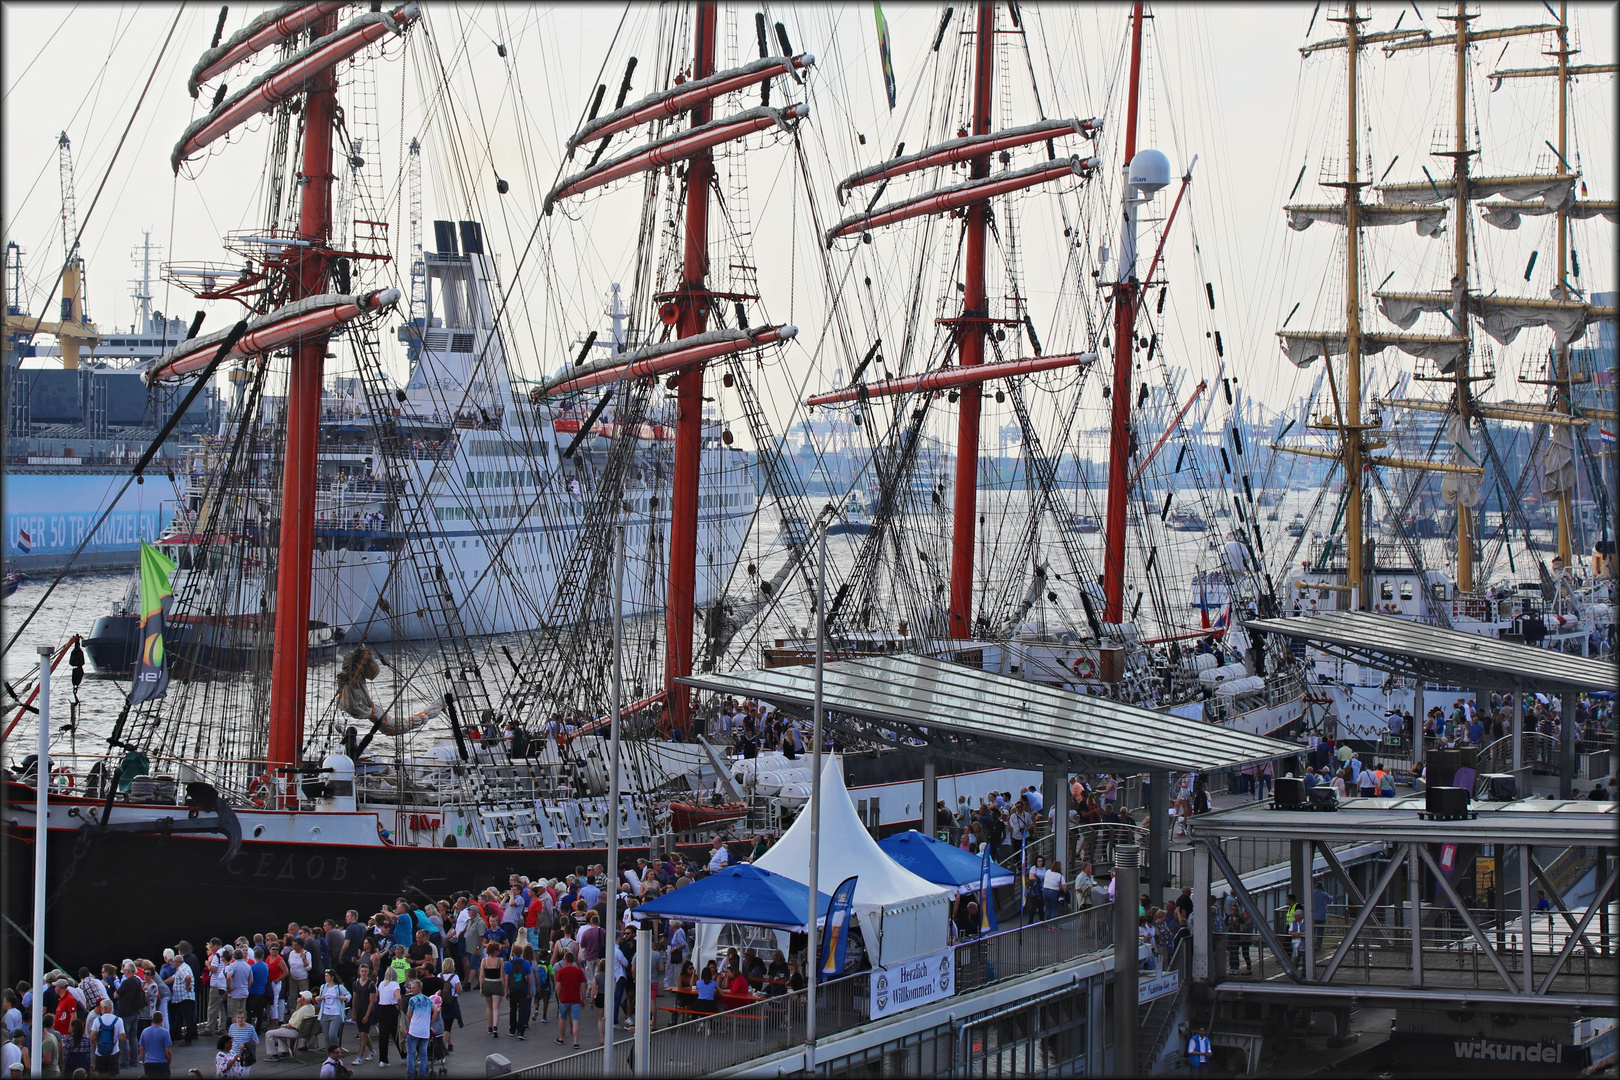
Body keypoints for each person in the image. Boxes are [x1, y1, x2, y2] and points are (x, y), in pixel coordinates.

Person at [402, 981, 436, 1080]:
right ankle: (422, 1074)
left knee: (411, 1053)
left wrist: (412, 1021)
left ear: (419, 989)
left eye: (413, 988)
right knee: (423, 1053)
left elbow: (408, 1015)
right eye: (411, 988)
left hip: (414, 1030)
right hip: (425, 1031)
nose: (411, 990)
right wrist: (430, 1022)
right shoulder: (428, 999)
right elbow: (436, 1011)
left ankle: (410, 1074)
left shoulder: (412, 1000)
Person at [552, 953, 585, 1050]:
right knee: (575, 1019)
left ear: (565, 960)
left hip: (564, 998)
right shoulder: (579, 971)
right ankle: (575, 1041)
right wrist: (583, 999)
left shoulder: (561, 971)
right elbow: (583, 986)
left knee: (562, 1018)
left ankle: (561, 1038)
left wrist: (559, 997)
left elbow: (558, 987)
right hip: (575, 999)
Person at [317, 970, 350, 1055]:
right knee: (327, 1037)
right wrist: (319, 999)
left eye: (327, 976)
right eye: (325, 976)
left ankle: (336, 1050)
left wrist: (344, 998)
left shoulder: (339, 987)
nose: (325, 978)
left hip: (335, 1013)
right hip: (325, 1013)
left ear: (332, 977)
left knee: (332, 1035)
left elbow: (348, 995)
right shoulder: (323, 987)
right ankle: (329, 1055)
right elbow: (319, 998)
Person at [90, 999, 126, 1077]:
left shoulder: (97, 1020)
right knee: (112, 1075)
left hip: (100, 1052)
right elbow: (122, 1037)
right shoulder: (119, 1020)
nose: (100, 1009)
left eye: (101, 1007)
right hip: (113, 1052)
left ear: (105, 1008)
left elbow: (92, 1037)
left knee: (101, 1075)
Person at [374, 966, 400, 1068]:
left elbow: (379, 996)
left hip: (382, 1008)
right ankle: (403, 1055)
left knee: (383, 1035)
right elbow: (398, 997)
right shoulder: (395, 984)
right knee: (396, 1033)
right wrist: (399, 1006)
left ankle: (383, 1059)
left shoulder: (381, 984)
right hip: (391, 1008)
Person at [349, 965, 375, 1066]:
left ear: (367, 972)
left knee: (363, 1034)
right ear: (359, 972)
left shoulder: (370, 985)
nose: (364, 973)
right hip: (359, 1011)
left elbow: (372, 1001)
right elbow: (354, 999)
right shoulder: (355, 984)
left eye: (365, 971)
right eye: (362, 971)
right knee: (363, 1032)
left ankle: (359, 1057)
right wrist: (353, 1012)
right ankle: (372, 1050)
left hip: (367, 1011)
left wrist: (367, 1015)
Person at [478, 941, 503, 1038]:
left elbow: (481, 975)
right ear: (495, 951)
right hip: (496, 983)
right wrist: (504, 988)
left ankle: (489, 1027)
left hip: (487, 983)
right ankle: (495, 1026)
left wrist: (481, 988)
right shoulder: (500, 961)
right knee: (496, 1007)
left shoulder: (484, 961)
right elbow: (502, 975)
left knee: (489, 1006)